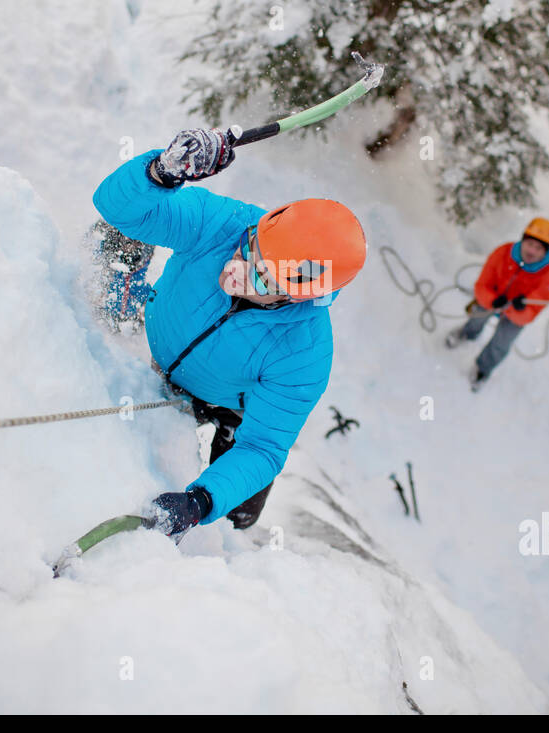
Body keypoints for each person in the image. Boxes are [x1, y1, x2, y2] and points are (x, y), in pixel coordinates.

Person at [93, 127, 367, 538]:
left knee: (237, 509)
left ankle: (234, 526)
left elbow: (262, 448)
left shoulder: (304, 354)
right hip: (158, 332)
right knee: (121, 231)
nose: (238, 269)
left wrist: (200, 501)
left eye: (262, 277)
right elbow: (117, 208)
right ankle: (117, 300)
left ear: (297, 297)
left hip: (223, 402)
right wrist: (161, 173)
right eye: (250, 248)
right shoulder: (223, 224)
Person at [446, 217, 549, 390]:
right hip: (494, 298)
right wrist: (491, 300)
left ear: (545, 252)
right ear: (522, 241)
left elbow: (533, 311)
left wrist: (519, 309)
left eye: (538, 248)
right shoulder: (502, 253)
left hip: (515, 312)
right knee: (477, 316)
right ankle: (467, 334)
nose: (532, 251)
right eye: (530, 244)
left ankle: (483, 368)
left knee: (502, 341)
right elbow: (482, 285)